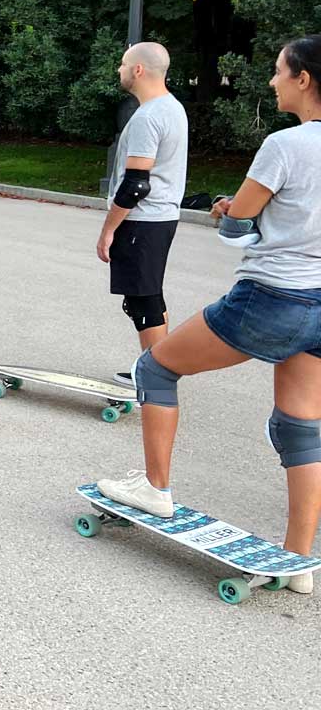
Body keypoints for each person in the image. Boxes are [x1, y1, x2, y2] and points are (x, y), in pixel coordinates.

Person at [97, 36, 321, 594]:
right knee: (300, 425)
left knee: (155, 369)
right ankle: (299, 560)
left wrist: (226, 209)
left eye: (277, 72)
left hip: (272, 296)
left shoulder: (286, 144)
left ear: (304, 80)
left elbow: (238, 223)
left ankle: (155, 487)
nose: (271, 81)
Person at [96, 42, 188, 388]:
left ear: (138, 70)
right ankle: (154, 369)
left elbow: (136, 184)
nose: (119, 70)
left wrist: (108, 230)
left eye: (122, 64)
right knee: (148, 294)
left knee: (143, 299)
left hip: (143, 220)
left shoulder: (149, 117)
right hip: (161, 218)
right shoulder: (173, 108)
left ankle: (156, 377)